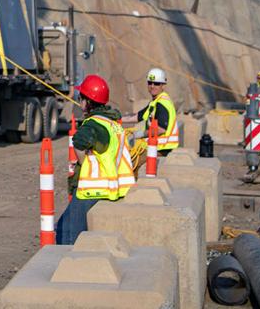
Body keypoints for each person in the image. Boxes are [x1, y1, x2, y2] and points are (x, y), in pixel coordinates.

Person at [54, 74, 135, 245]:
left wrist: (84, 162)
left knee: (66, 231)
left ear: (87, 101)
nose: (79, 101)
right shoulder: (113, 124)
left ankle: (68, 267)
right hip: (112, 188)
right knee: (65, 226)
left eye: (80, 97)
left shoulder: (94, 124)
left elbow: (79, 141)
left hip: (93, 190)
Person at [130, 68, 179, 155]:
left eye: (156, 84)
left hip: (162, 149)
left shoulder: (162, 103)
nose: (152, 86)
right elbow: (139, 116)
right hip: (156, 147)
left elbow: (161, 130)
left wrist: (140, 134)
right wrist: (119, 119)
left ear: (163, 85)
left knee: (132, 164)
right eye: (150, 83)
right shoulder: (155, 102)